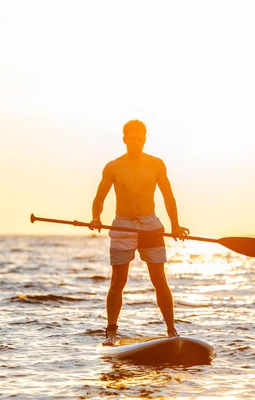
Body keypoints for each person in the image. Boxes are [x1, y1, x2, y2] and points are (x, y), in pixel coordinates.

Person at [89, 119, 189, 346]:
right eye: (132, 138)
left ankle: (171, 330)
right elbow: (99, 198)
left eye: (140, 139)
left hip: (150, 225)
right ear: (124, 140)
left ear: (144, 139)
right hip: (122, 225)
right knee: (118, 281)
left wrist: (175, 225)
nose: (136, 142)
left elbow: (168, 197)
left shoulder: (156, 164)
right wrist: (96, 218)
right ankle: (112, 332)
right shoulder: (113, 167)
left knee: (159, 279)